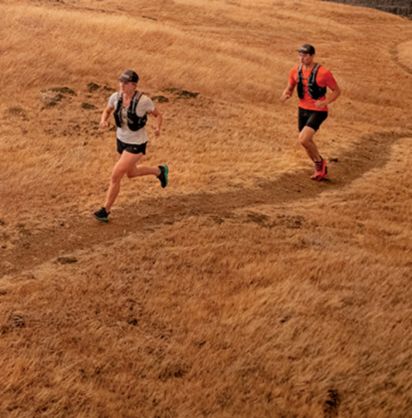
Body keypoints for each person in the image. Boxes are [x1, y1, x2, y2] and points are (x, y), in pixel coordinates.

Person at [94, 69, 168, 223]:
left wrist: (158, 128)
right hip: (121, 140)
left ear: (134, 85)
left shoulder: (144, 101)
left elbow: (158, 115)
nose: (122, 85)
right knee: (131, 173)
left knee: (116, 175)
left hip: (137, 144)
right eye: (121, 81)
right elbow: (107, 111)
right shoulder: (115, 97)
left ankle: (105, 211)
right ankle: (159, 171)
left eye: (126, 83)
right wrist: (103, 120)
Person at [280, 44, 341, 180]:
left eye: (305, 55)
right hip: (302, 110)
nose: (302, 58)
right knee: (306, 142)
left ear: (312, 56)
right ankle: (319, 166)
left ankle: (320, 164)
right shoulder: (295, 70)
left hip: (318, 111)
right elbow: (290, 87)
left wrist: (325, 102)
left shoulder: (324, 73)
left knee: (303, 139)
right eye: (300, 55)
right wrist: (287, 93)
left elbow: (337, 91)